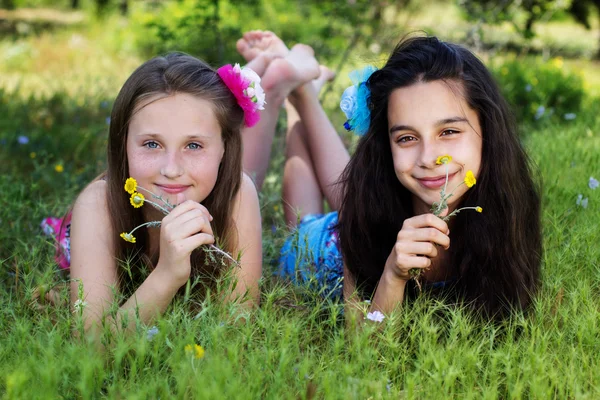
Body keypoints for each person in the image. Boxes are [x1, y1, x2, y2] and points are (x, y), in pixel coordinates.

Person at [277, 35, 542, 321]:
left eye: (449, 131)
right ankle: (300, 99)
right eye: (406, 137)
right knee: (302, 221)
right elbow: (363, 350)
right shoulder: (363, 219)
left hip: (371, 208)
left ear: (487, 129)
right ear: (386, 146)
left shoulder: (509, 207)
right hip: (320, 251)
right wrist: (392, 275)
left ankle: (304, 94)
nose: (429, 158)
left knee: (347, 193)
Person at [42, 53, 270, 335]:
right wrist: (167, 275)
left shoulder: (238, 193)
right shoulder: (97, 205)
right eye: (151, 144)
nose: (171, 169)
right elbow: (92, 347)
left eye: (194, 145)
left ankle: (275, 79)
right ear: (122, 142)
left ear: (225, 147)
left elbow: (236, 328)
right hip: (84, 235)